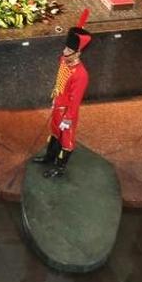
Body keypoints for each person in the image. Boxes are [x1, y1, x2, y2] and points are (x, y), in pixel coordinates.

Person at [33, 10, 91, 179]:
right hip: (58, 105)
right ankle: (49, 156)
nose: (64, 52)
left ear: (78, 53)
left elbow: (75, 99)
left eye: (69, 50)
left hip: (67, 111)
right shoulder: (63, 61)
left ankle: (60, 166)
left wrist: (68, 117)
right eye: (65, 48)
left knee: (66, 139)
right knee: (54, 132)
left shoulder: (81, 74)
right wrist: (55, 98)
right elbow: (59, 82)